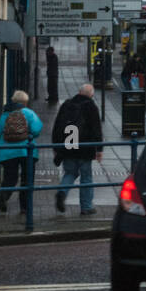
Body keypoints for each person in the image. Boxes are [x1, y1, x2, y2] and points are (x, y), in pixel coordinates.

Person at [53, 83, 104, 216]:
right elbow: (96, 129)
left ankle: (62, 192)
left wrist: (56, 146)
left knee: (70, 173)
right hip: (84, 148)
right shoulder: (91, 106)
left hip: (68, 146)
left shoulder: (67, 104)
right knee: (86, 178)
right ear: (91, 94)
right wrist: (99, 149)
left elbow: (57, 125)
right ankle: (86, 207)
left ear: (79, 92)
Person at [0, 90, 43, 218]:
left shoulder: (5, 114)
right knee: (27, 180)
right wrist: (30, 135)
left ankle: (4, 196)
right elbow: (37, 129)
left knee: (10, 177)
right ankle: (25, 208)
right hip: (27, 150)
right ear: (25, 102)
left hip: (7, 152)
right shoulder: (29, 113)